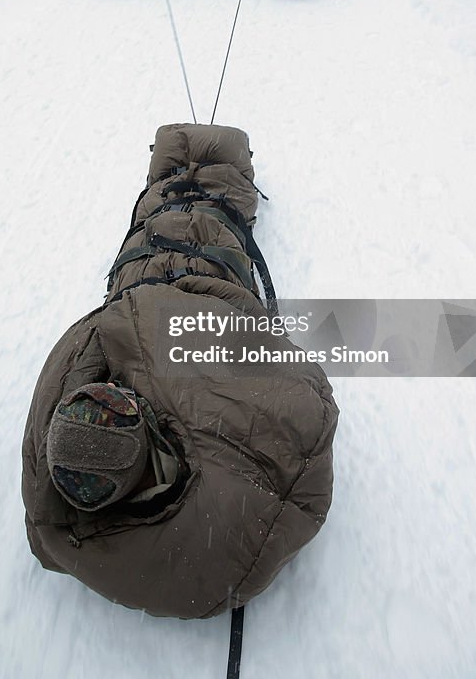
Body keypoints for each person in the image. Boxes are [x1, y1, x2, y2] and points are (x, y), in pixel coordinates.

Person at [22, 123, 339, 620]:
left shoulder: (55, 520)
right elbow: (303, 406)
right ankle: (212, 164)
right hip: (201, 291)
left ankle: (179, 169)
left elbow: (76, 351)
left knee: (167, 207)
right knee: (208, 213)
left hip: (148, 285)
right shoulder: (236, 528)